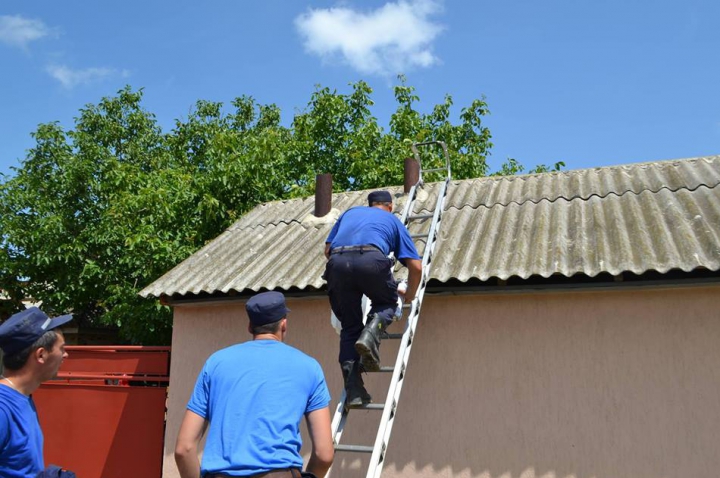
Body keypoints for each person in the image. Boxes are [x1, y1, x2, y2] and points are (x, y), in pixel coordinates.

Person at [174, 291, 334, 478]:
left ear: (250, 326)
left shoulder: (216, 363)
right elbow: (324, 455)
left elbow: (183, 449)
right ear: (284, 324)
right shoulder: (310, 367)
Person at [324, 190, 422, 408]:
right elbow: (416, 267)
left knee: (349, 328)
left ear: (369, 205)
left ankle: (354, 392)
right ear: (390, 206)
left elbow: (328, 250)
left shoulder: (349, 213)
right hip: (371, 259)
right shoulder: (392, 220)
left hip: (337, 263)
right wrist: (410, 296)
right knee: (386, 304)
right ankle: (370, 335)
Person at [0, 307, 72, 478]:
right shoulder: (3, 409)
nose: (66, 355)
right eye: (61, 349)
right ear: (41, 355)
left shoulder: (23, 398)